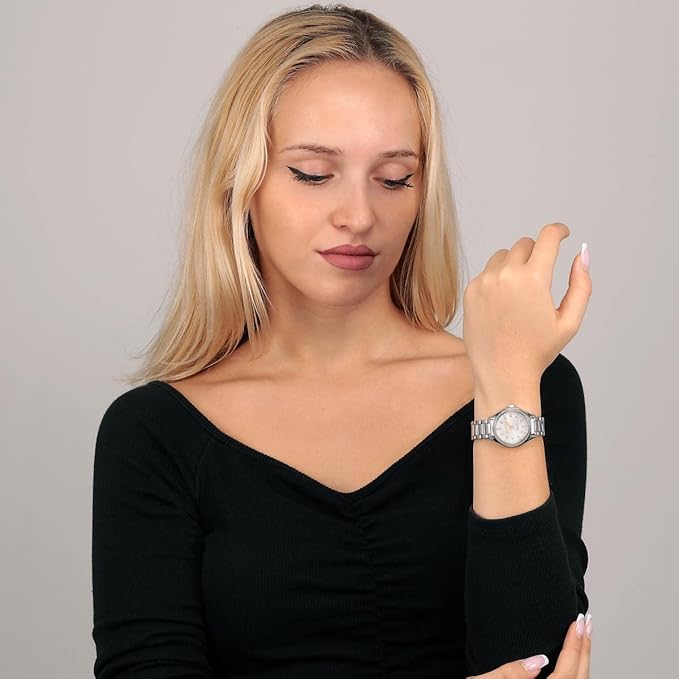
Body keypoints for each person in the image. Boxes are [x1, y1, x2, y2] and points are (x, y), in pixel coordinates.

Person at [91, 4, 593, 678]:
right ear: (241, 181)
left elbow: (540, 662)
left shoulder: (528, 383)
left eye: (394, 179)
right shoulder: (154, 434)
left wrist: (504, 387)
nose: (359, 215)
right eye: (312, 172)